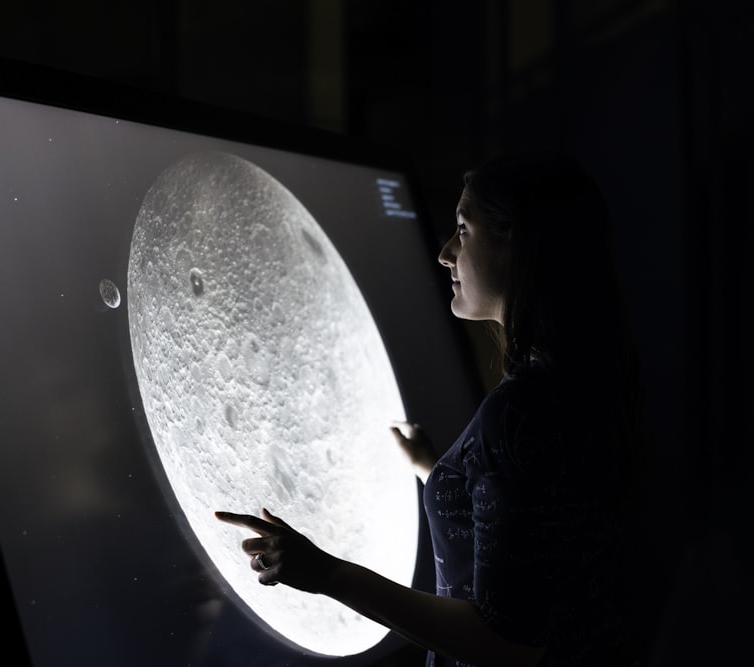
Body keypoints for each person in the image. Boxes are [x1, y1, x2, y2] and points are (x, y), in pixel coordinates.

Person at [216, 149, 642, 666]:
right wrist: (435, 467)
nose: (445, 253)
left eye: (463, 230)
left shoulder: (519, 413)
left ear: (519, 242)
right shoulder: (577, 386)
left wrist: (327, 573)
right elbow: (534, 535)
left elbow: (503, 644)